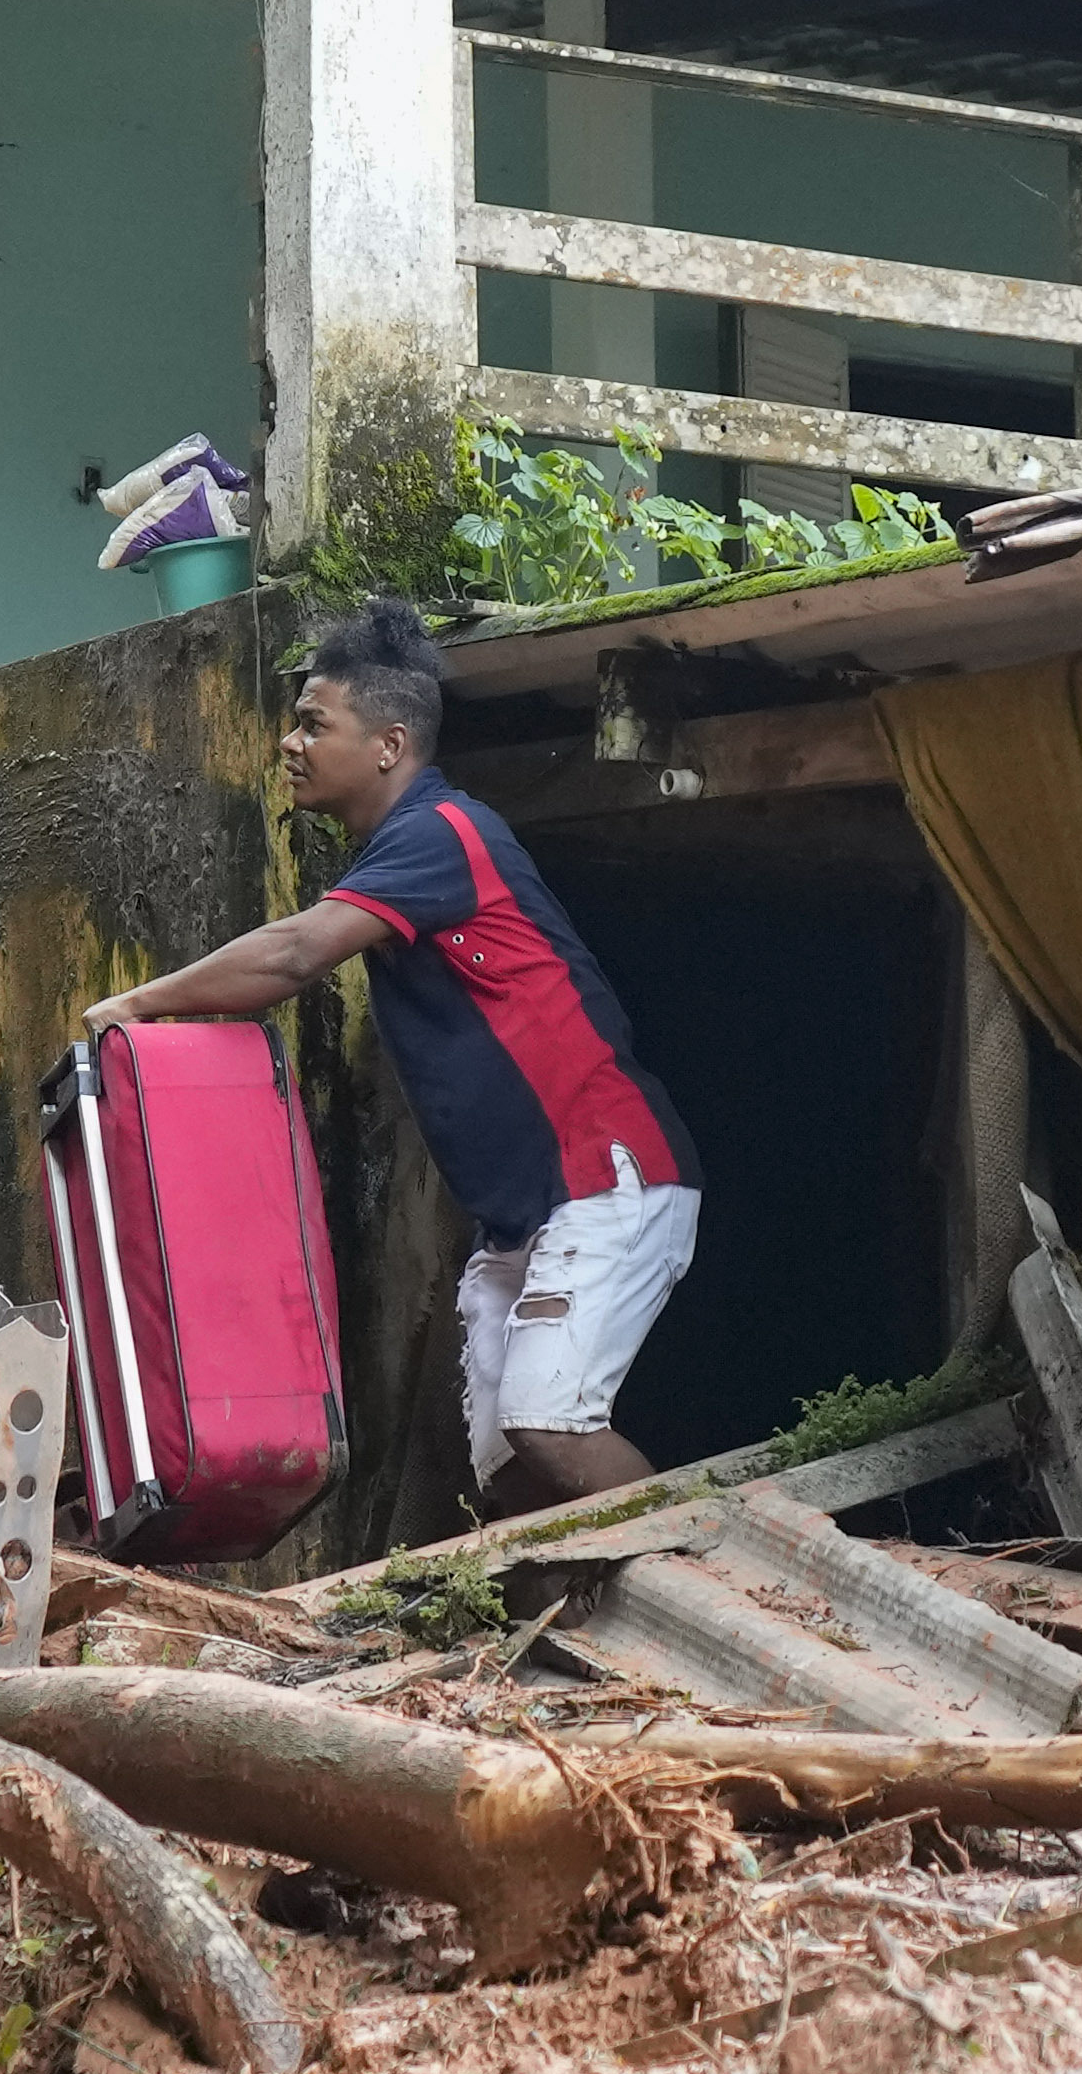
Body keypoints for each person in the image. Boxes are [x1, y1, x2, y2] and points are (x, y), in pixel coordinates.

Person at [84, 596, 699, 1512]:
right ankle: (558, 1637)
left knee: (549, 1426)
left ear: (389, 743)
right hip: (522, 1217)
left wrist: (137, 1004)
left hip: (607, 1180)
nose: (290, 744)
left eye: (312, 724)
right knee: (505, 1472)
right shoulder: (400, 851)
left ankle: (702, 1583)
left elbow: (295, 954)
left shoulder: (443, 834)